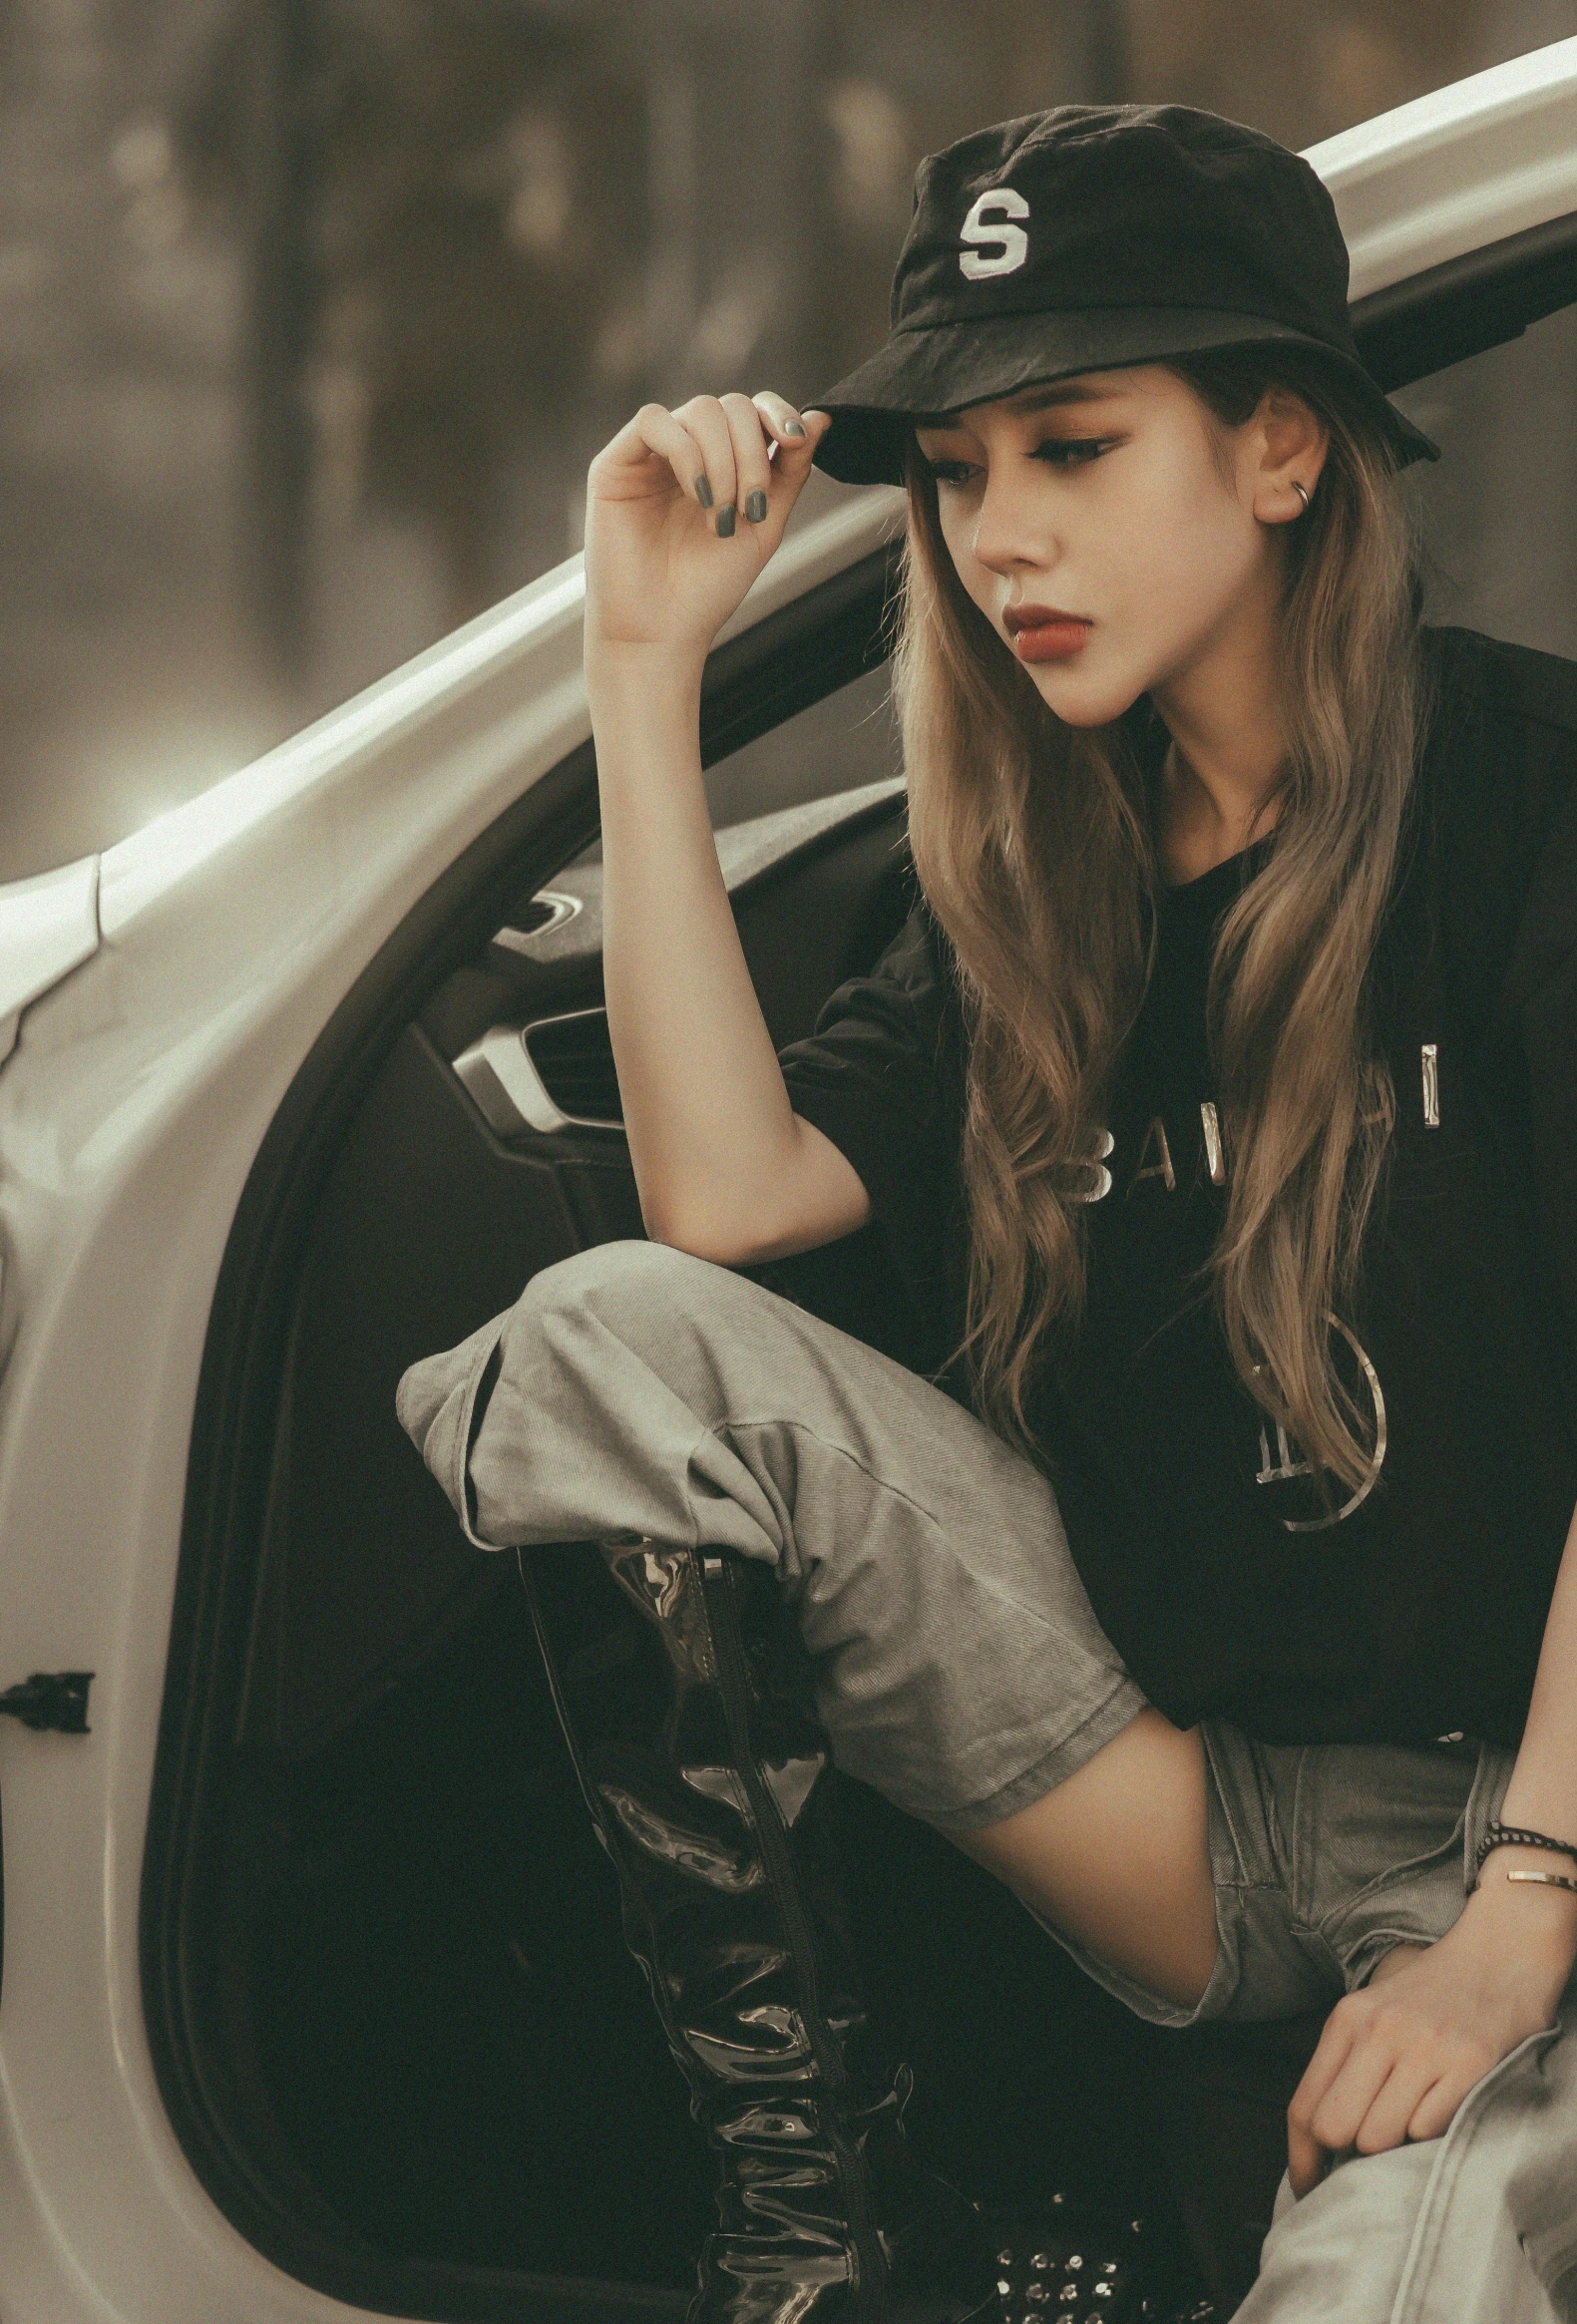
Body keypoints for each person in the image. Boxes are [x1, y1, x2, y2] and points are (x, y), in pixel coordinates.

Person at [397, 103, 1577, 2323]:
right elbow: (718, 1212)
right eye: (950, 473)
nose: (996, 534)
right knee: (601, 1341)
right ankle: (824, 2241)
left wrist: (1520, 1911)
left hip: (1527, 1830)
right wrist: (638, 669)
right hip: (1182, 1818)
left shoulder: (1529, 805)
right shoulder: (1036, 890)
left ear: (1281, 451)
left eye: (1071, 447)